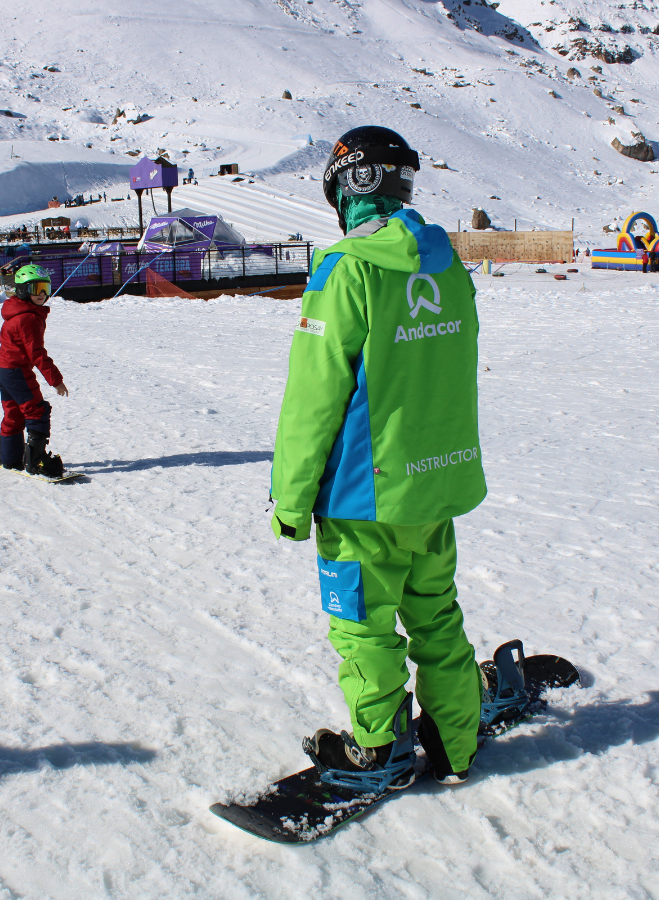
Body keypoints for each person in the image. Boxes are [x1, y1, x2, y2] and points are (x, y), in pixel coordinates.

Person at [270, 126, 491, 791]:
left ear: (349, 188)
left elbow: (314, 395)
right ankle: (455, 743)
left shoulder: (347, 268)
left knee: (363, 628)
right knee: (436, 616)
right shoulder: (446, 265)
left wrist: (291, 497)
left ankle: (381, 748)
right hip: (435, 484)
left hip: (363, 496)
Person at [0, 265, 68, 476]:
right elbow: (37, 353)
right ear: (23, 290)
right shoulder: (28, 318)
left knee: (14, 413)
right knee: (37, 410)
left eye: (45, 288)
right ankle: (36, 461)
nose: (42, 294)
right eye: (35, 288)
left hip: (4, 370)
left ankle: (9, 456)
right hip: (17, 372)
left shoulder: (17, 310)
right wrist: (56, 380)